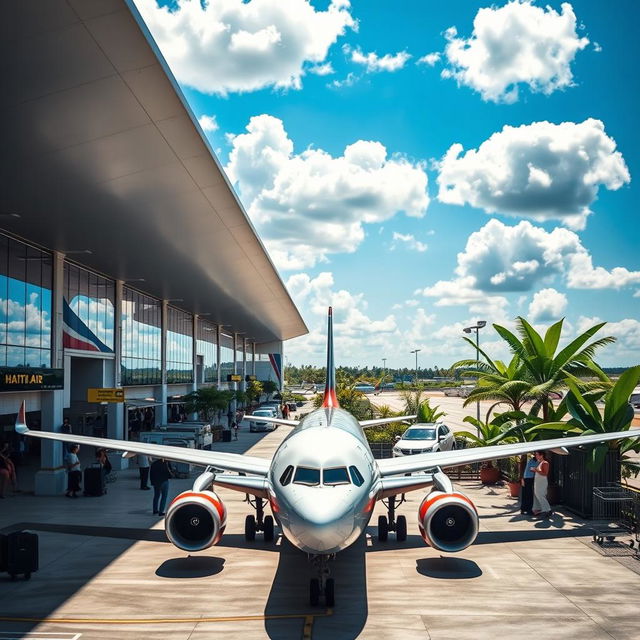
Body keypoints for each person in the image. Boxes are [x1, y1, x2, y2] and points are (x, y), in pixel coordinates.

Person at [532, 450, 552, 518]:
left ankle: (547, 510)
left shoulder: (545, 463)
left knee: (541, 495)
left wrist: (536, 470)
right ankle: (543, 510)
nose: (536, 456)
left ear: (541, 455)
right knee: (538, 495)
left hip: (542, 483)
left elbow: (545, 473)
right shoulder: (540, 463)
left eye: (537, 454)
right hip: (538, 482)